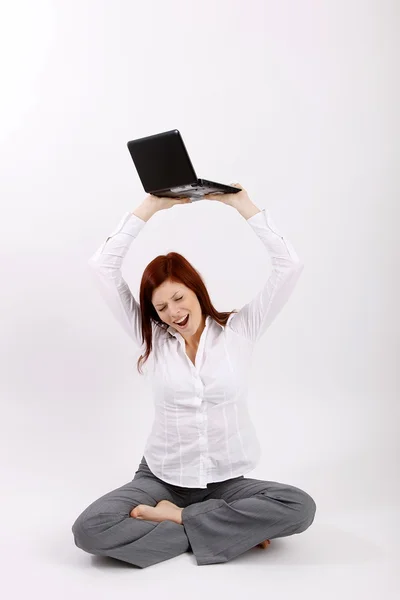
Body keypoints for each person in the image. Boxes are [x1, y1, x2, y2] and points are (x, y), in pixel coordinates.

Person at [71, 183, 316, 568]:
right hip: (161, 478)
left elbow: (290, 266)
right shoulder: (152, 340)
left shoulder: (240, 330)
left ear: (196, 291)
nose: (173, 312)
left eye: (179, 298)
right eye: (161, 306)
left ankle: (179, 520)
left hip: (226, 483)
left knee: (300, 507)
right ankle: (229, 533)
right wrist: (150, 207)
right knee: (90, 530)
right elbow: (101, 267)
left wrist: (241, 204)